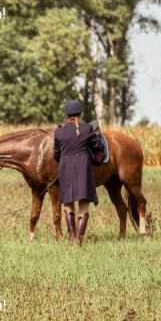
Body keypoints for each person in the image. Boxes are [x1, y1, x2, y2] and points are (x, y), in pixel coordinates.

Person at [53, 100, 99, 244]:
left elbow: (56, 154)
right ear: (80, 113)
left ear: (66, 115)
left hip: (65, 168)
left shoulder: (59, 131)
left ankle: (72, 238)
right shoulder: (88, 129)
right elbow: (96, 146)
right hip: (84, 169)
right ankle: (79, 238)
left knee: (68, 204)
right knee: (84, 205)